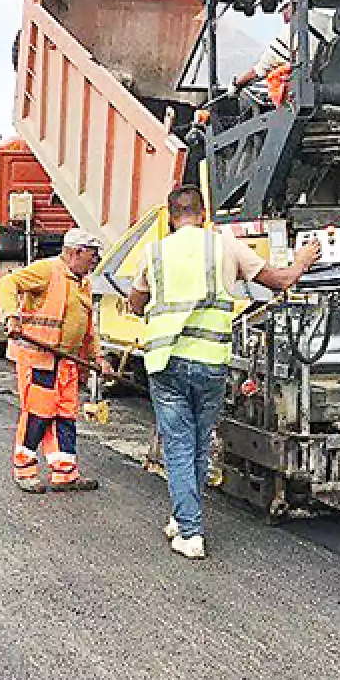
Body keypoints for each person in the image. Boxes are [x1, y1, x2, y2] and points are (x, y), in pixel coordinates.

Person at [127, 187, 320, 559]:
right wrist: (304, 258)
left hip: (166, 364)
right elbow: (281, 281)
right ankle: (185, 516)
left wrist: (146, 308)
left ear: (170, 217)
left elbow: (136, 303)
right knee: (198, 445)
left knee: (180, 446)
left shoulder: (154, 252)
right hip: (211, 363)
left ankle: (189, 530)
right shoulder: (225, 246)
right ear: (204, 213)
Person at [0, 228, 112, 493]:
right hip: (39, 358)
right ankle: (24, 470)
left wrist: (99, 358)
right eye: (93, 255)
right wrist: (12, 315)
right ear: (76, 252)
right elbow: (7, 283)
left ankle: (65, 473)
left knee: (65, 417)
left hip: (65, 362)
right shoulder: (48, 270)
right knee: (38, 415)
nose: (95, 261)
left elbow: (87, 328)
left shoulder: (82, 282)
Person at [229, 0, 335, 94]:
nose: (283, 15)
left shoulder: (292, 29)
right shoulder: (331, 22)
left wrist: (237, 83)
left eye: (284, 9)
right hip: (334, 86)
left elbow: (263, 67)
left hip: (310, 93)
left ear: (291, 5)